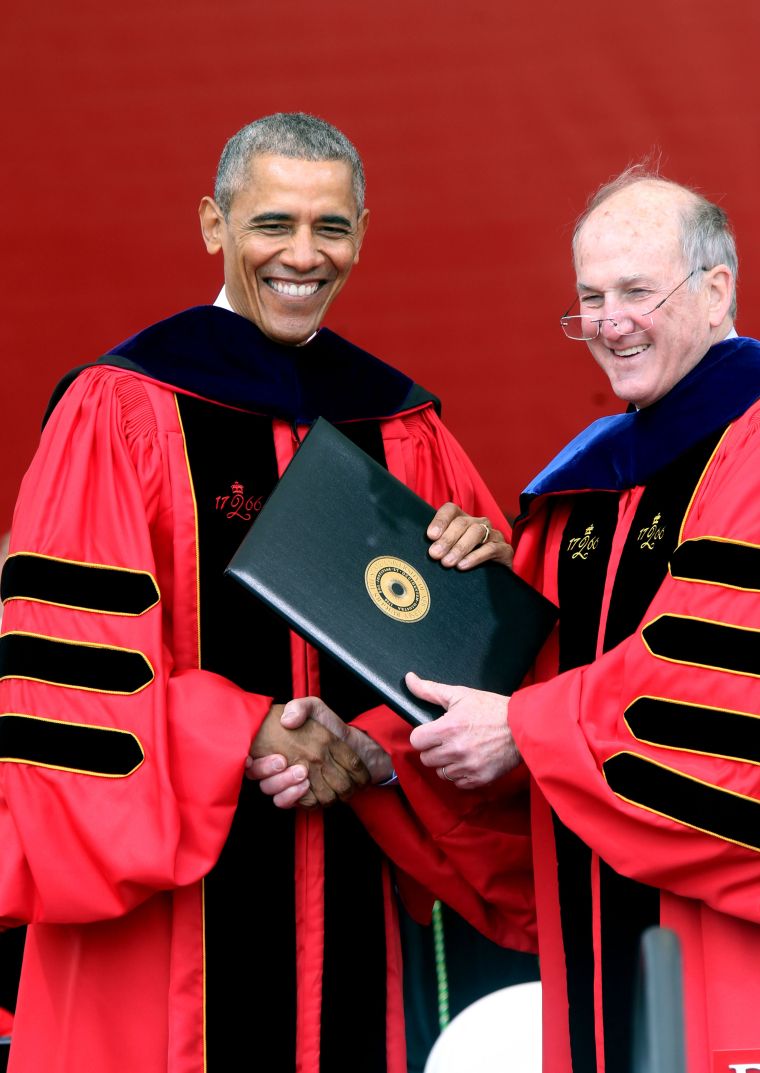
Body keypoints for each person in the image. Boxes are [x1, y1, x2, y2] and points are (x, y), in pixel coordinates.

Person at [0, 113, 534, 1073]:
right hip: (167, 909)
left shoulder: (401, 424)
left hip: (353, 879)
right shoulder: (120, 408)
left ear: (362, 234)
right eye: (271, 222)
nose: (302, 254)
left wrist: (476, 600)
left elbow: (489, 677)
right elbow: (70, 678)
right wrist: (241, 731)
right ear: (213, 224)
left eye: (330, 227)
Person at [260, 169, 760, 1073]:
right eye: (591, 298)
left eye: (638, 292)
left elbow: (711, 682)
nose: (610, 321)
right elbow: (524, 678)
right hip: (595, 942)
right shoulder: (590, 483)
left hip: (727, 945)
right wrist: (386, 746)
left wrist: (523, 728)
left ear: (717, 288)